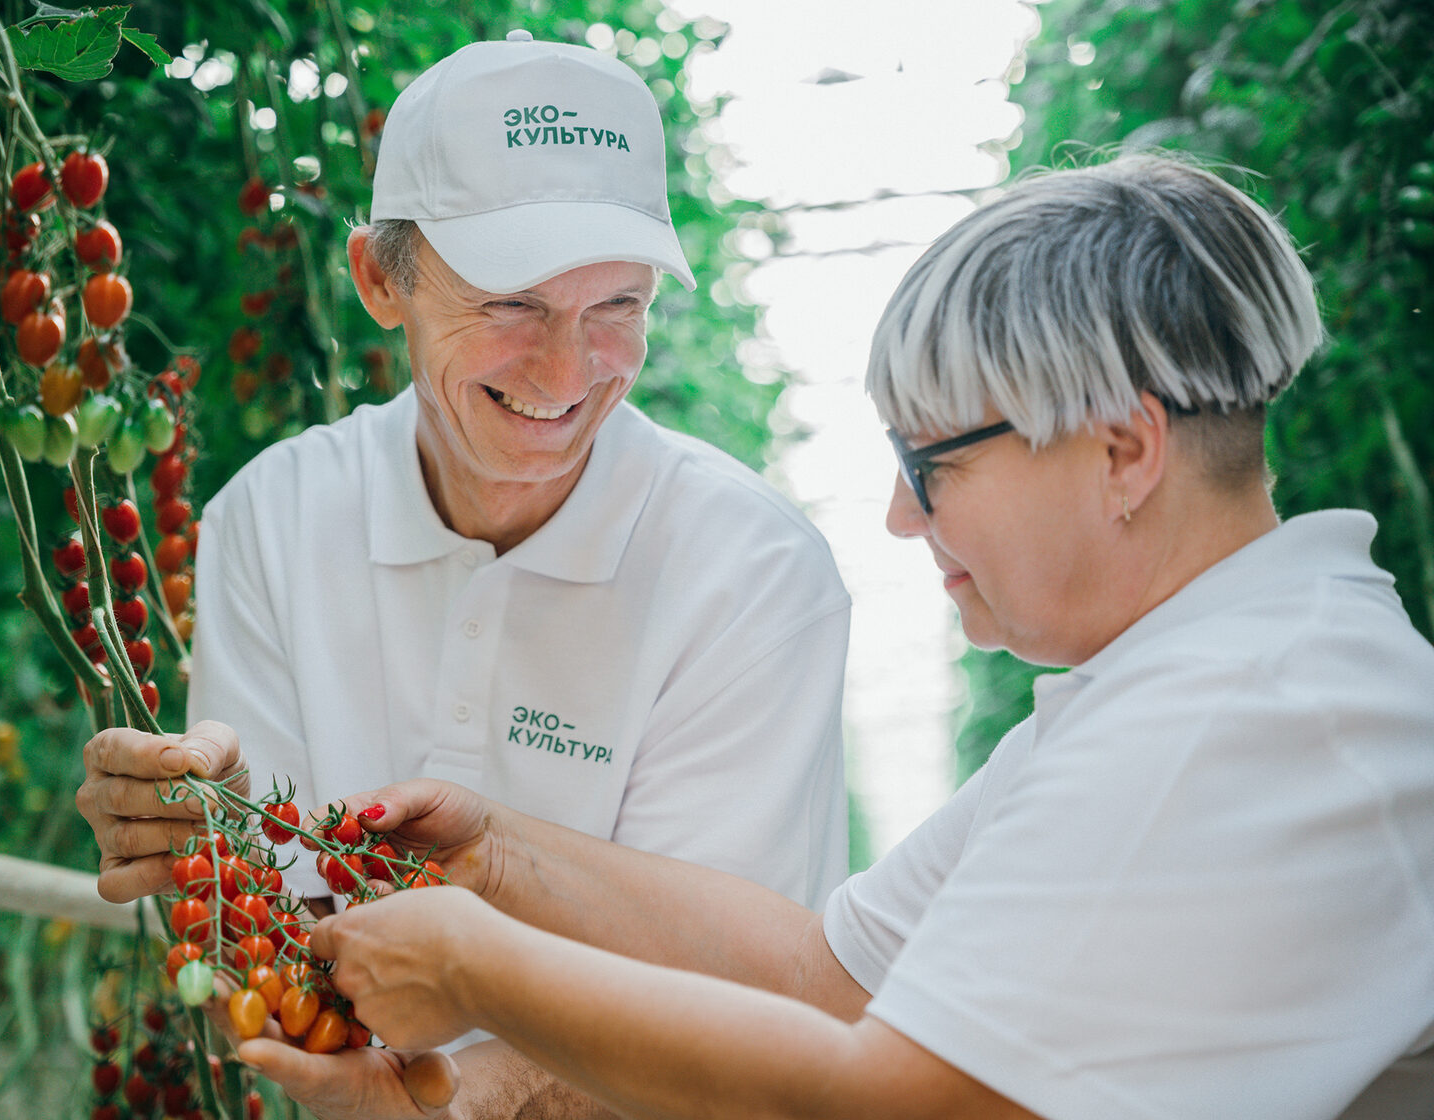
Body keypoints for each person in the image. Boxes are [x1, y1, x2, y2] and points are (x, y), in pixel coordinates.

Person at [231, 153, 1433, 1118]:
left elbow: (892, 1098)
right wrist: (497, 853)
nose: (903, 516)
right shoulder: (1189, 682)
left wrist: (480, 970)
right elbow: (829, 973)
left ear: (1122, 449)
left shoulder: (1255, 711)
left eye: (932, 461)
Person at [77, 29, 851, 1120]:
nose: (565, 370)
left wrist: (450, 1103)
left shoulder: (753, 574)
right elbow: (275, 945)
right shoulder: (274, 517)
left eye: (615, 307)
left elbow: (736, 987)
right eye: (510, 304)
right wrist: (214, 838)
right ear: (379, 279)